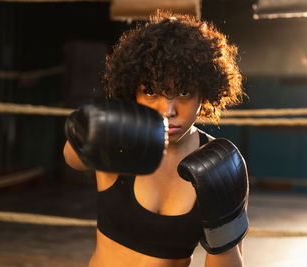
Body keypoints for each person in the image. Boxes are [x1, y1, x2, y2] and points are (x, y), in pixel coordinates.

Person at [63, 10, 248, 267]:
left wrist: (222, 227)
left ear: (204, 93)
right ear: (133, 91)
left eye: (183, 92)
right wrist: (88, 128)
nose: (167, 110)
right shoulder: (122, 137)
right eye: (151, 91)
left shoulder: (221, 163)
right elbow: (73, 159)